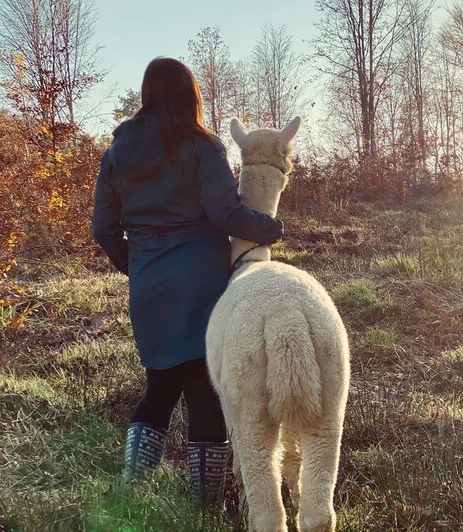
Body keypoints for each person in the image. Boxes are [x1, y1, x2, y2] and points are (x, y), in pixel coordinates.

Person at [91, 57, 283, 510]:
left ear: (147, 95)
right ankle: (205, 507)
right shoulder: (203, 146)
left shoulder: (117, 154)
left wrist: (137, 265)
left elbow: (103, 229)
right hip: (202, 282)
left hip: (150, 286)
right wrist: (271, 228)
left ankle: (132, 492)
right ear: (190, 95)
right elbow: (224, 213)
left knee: (159, 385)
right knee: (204, 389)